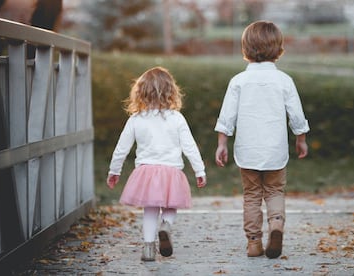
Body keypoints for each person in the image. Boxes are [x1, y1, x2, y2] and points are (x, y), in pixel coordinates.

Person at [214, 21, 309, 259]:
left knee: (252, 195)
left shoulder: (238, 81)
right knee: (275, 191)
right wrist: (301, 139)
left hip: (248, 151)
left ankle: (254, 243)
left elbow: (227, 116)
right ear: (278, 48)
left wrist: (222, 143)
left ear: (245, 48)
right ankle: (276, 225)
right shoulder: (284, 80)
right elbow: (296, 114)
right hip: (275, 150)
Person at [107, 66, 207, 261]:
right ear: (171, 91)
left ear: (140, 92)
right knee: (170, 206)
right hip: (171, 171)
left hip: (146, 173)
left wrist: (114, 170)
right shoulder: (177, 118)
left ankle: (148, 249)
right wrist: (199, 170)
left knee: (150, 209)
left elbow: (122, 148)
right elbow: (190, 147)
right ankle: (166, 226)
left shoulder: (136, 119)